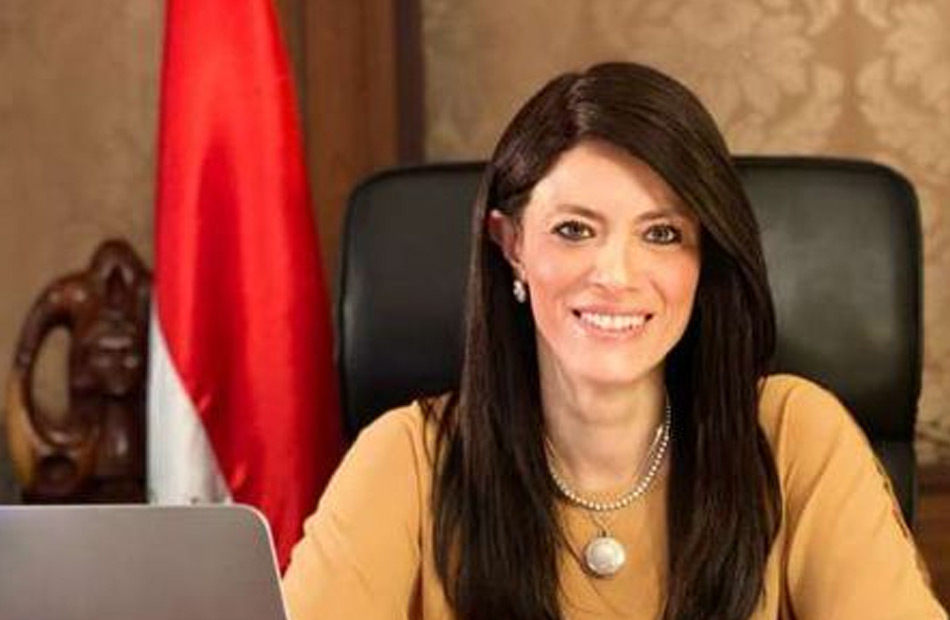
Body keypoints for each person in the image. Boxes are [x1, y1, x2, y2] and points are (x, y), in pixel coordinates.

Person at [282, 62, 947, 620]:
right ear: (511, 246)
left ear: (704, 259)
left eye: (662, 234)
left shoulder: (793, 436)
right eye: (575, 230)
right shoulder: (409, 460)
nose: (616, 276)